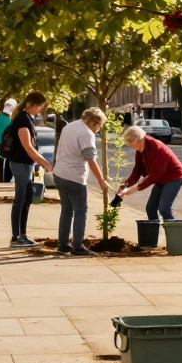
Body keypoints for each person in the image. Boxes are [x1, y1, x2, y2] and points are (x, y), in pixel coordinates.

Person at [53, 107, 112, 255]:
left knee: (66, 210)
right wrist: (101, 181)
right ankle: (77, 245)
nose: (98, 129)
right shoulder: (86, 133)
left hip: (60, 172)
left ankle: (63, 244)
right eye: (99, 126)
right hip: (74, 176)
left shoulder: (70, 126)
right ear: (94, 122)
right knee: (80, 210)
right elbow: (90, 160)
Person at [7, 92, 54, 247]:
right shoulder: (22, 119)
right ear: (32, 104)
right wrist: (45, 162)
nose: (40, 110)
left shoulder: (26, 118)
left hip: (26, 164)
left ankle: (22, 234)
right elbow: (27, 146)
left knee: (26, 197)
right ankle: (17, 236)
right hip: (20, 163)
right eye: (40, 106)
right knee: (21, 198)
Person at [117, 125, 182, 221]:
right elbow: (137, 171)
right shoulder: (140, 149)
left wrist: (136, 188)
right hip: (161, 179)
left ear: (138, 140)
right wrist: (125, 185)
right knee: (151, 209)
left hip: (174, 177)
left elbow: (154, 177)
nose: (130, 146)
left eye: (131, 144)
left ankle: (176, 235)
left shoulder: (157, 148)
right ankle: (153, 234)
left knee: (164, 209)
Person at [0, 99, 17, 183]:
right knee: (5, 161)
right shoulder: (7, 119)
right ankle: (4, 178)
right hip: (4, 143)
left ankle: (2, 178)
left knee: (1, 161)